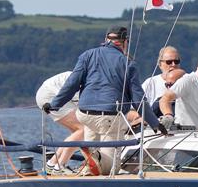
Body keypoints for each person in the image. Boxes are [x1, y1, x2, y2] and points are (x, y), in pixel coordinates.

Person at [44, 26, 161, 172]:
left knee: (93, 150)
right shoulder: (128, 63)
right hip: (110, 118)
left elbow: (72, 83)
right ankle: (96, 157)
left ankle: (91, 158)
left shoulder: (87, 55)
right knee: (112, 167)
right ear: (125, 42)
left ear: (106, 39)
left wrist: (54, 105)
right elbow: (138, 99)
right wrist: (155, 124)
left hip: (85, 114)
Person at [35, 71, 83, 170]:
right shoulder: (88, 84)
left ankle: (52, 163)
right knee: (83, 130)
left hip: (46, 93)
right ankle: (60, 166)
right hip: (50, 96)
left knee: (77, 133)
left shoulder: (86, 77)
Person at [141, 46, 185, 115]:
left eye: (176, 61)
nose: (173, 65)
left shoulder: (188, 82)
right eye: (169, 62)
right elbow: (134, 111)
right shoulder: (150, 83)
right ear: (160, 64)